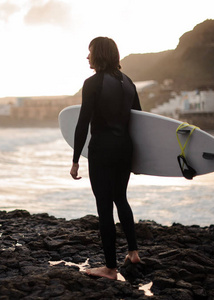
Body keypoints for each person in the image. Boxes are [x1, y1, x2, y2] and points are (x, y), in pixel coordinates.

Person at [70, 37, 142, 280]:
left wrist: (75, 159)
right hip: (125, 148)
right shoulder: (129, 83)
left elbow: (82, 124)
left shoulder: (92, 83)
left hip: (102, 149)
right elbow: (140, 121)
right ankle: (133, 251)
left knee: (104, 207)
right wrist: (141, 158)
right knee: (121, 198)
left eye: (89, 52)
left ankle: (110, 268)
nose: (87, 57)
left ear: (98, 54)